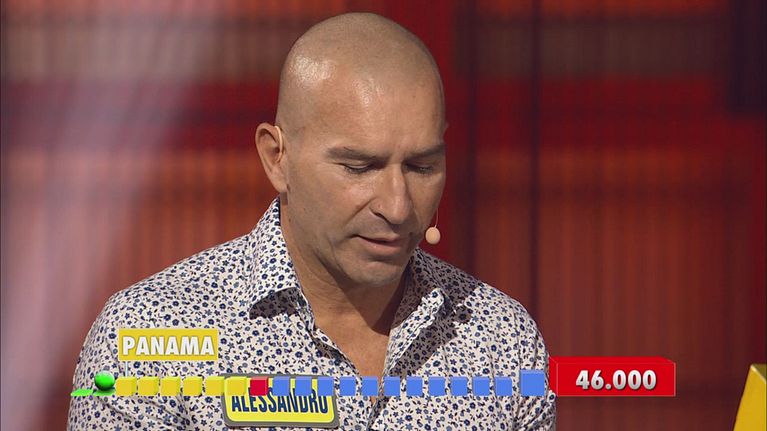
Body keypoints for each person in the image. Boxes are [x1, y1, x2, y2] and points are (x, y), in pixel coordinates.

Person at [68, 12, 556, 430]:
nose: (397, 206)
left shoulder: (501, 341)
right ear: (276, 158)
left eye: (421, 166)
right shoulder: (148, 338)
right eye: (359, 167)